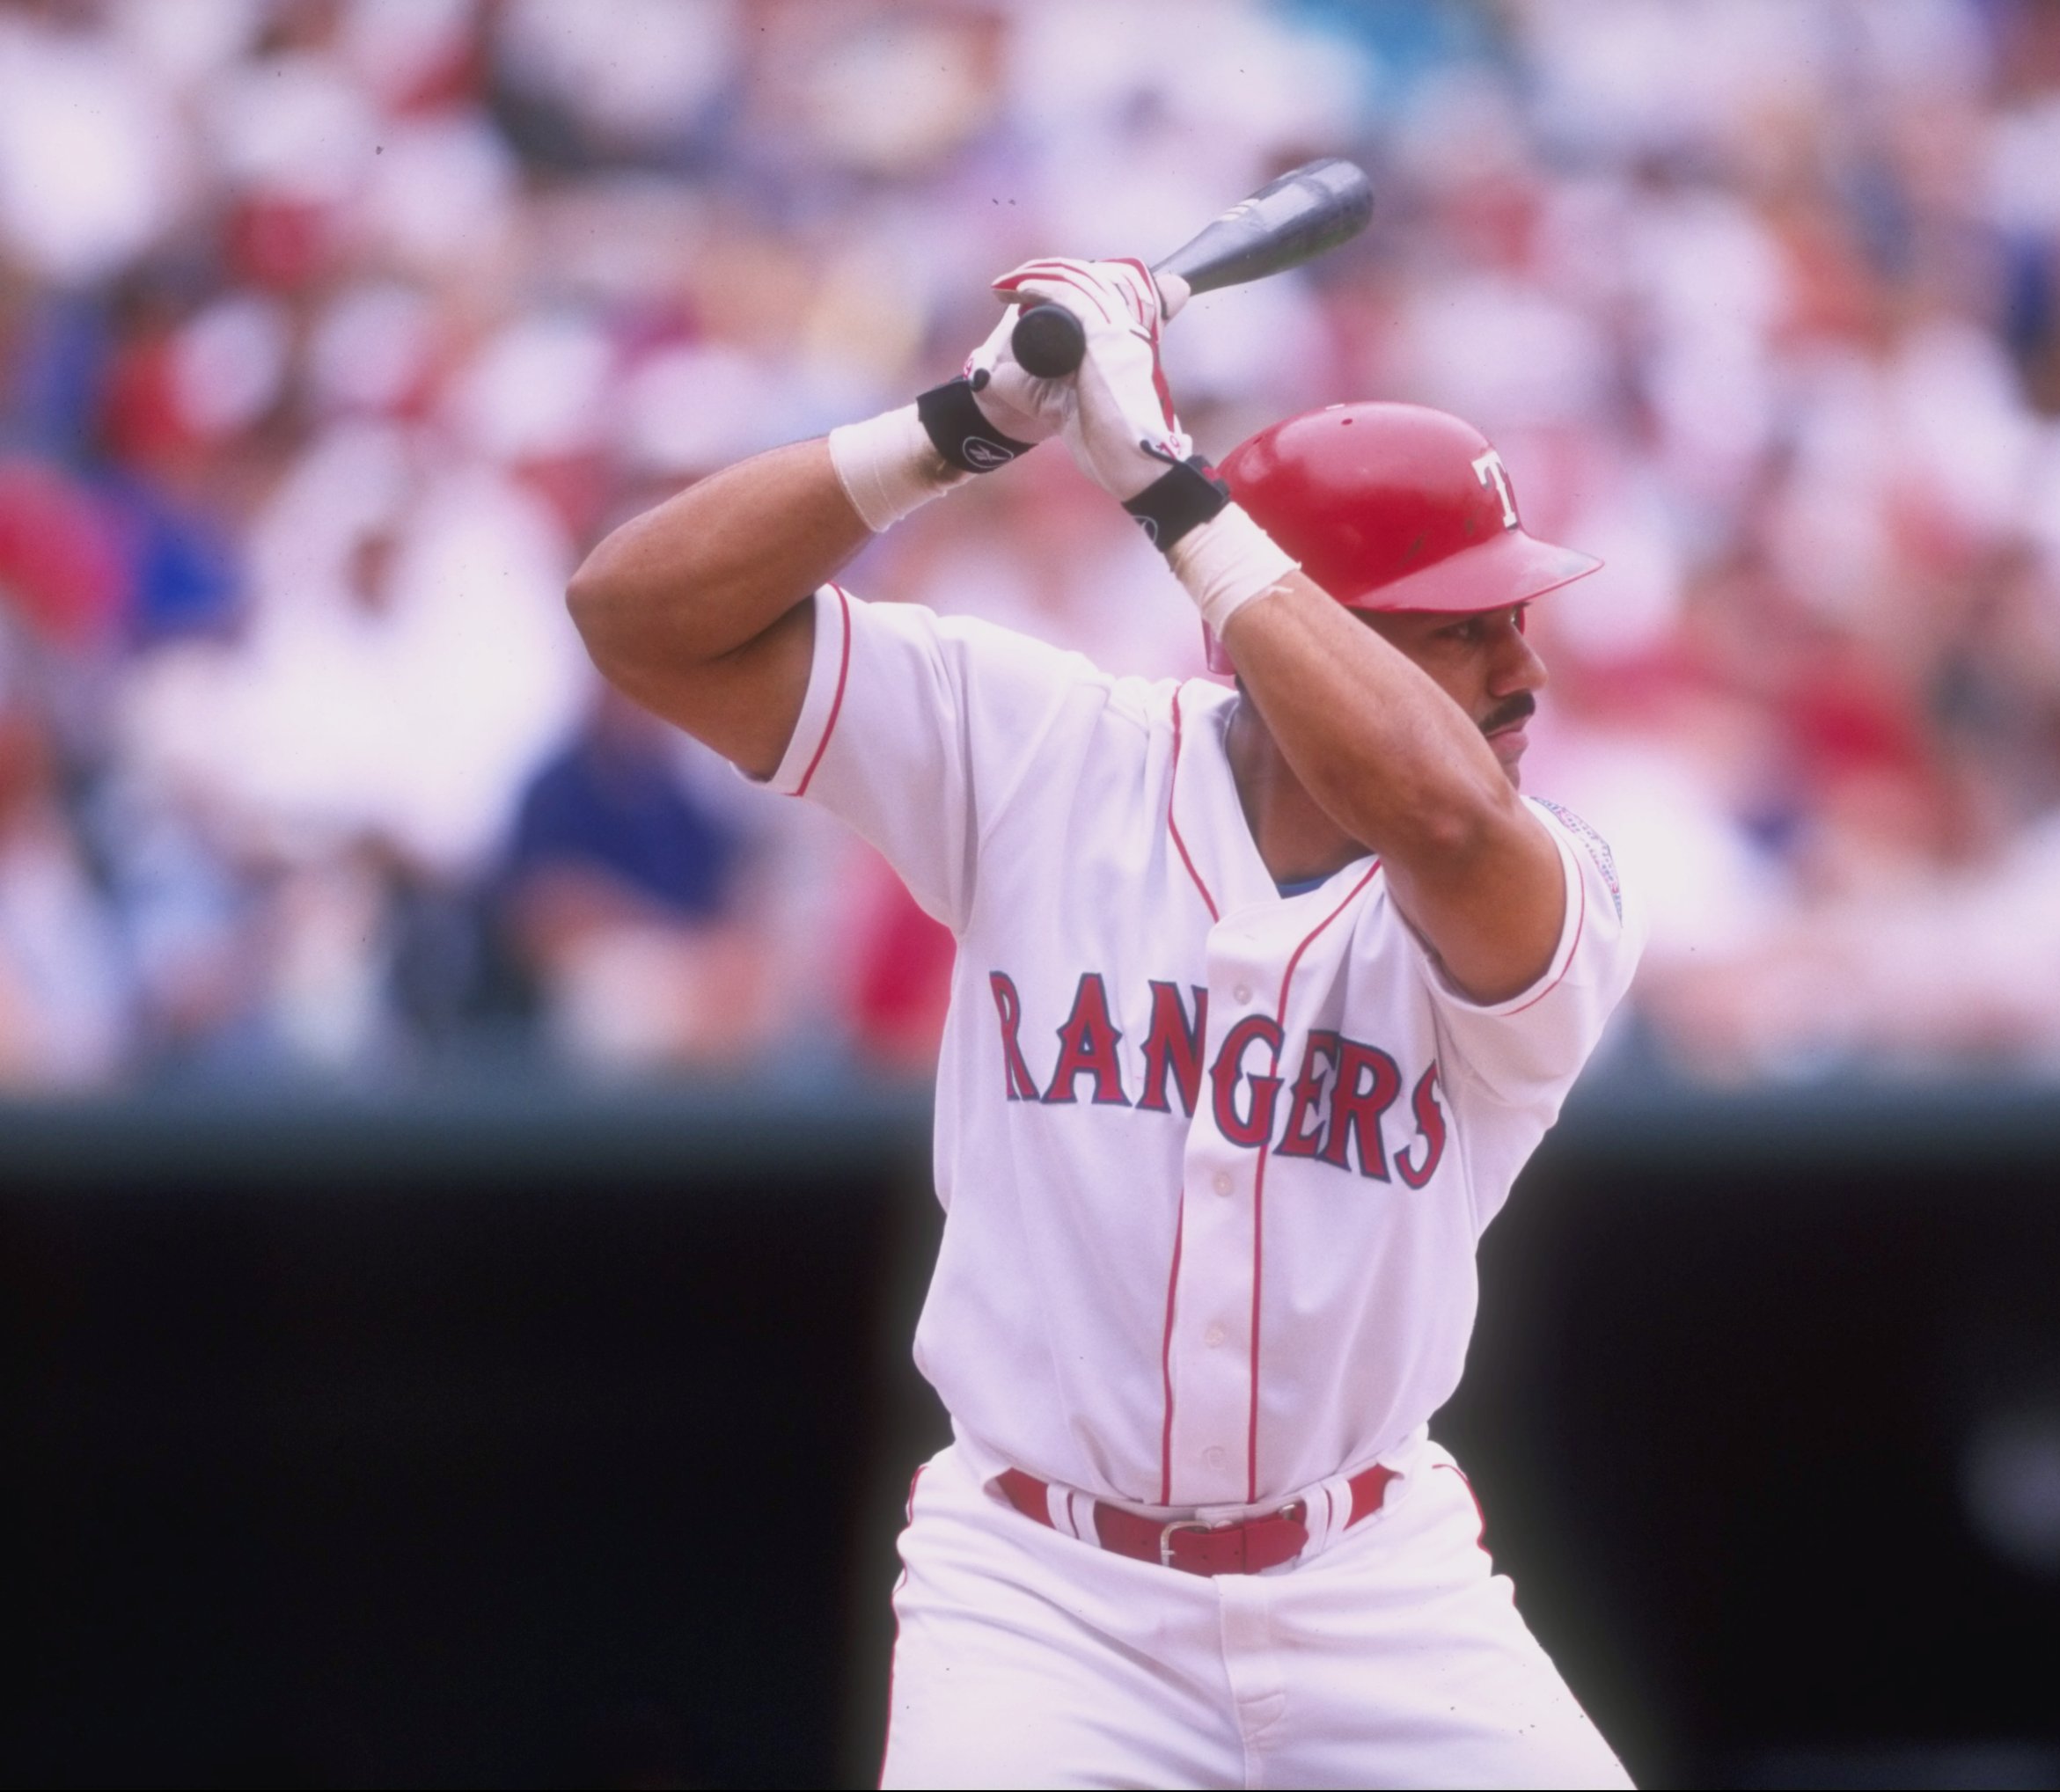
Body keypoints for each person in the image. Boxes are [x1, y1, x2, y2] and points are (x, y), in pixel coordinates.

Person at [566, 255, 1642, 1788]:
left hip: (1375, 1583)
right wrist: (954, 427)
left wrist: (1171, 490)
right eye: (1460, 626)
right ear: (1288, 639)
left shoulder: (1563, 881)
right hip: (1042, 1596)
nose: (1524, 665)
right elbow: (638, 617)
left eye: (1513, 616)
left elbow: (1448, 825)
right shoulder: (1043, 753)